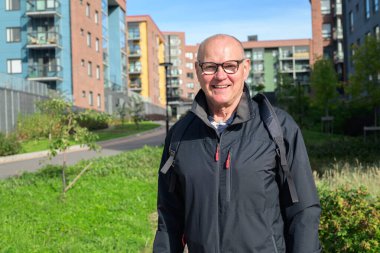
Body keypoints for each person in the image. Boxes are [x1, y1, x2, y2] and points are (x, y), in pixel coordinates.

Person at [153, 34, 321, 253]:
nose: (220, 76)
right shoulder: (180, 136)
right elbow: (169, 219)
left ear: (245, 68)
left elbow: (303, 211)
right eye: (210, 67)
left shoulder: (277, 127)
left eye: (230, 66)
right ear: (197, 71)